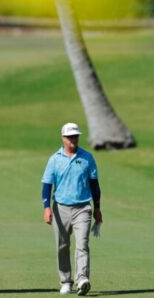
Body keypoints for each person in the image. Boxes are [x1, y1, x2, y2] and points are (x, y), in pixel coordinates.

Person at [42, 122, 103, 296]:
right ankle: (65, 281)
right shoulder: (55, 159)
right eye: (69, 137)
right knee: (62, 245)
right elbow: (47, 185)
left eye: (75, 136)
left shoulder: (87, 158)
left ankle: (82, 279)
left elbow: (95, 185)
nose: (73, 140)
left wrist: (97, 208)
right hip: (60, 208)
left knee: (82, 244)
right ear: (63, 138)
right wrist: (47, 208)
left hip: (83, 208)